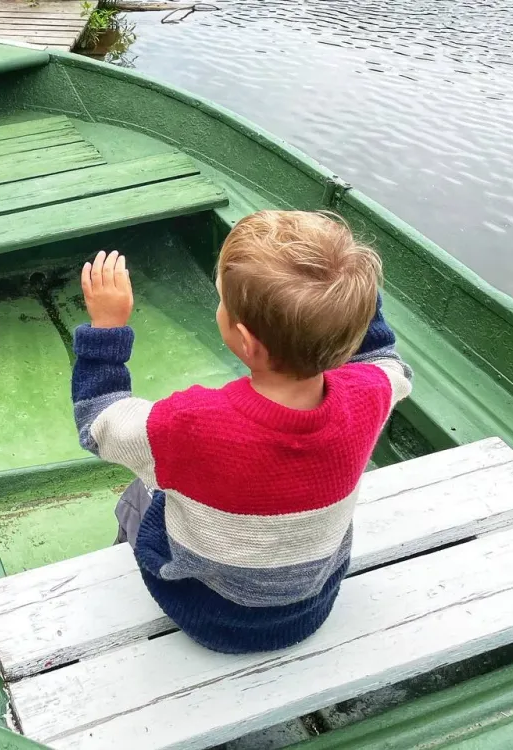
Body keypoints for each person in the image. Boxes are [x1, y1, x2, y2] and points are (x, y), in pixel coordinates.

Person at [70, 211, 413, 653]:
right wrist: (347, 296)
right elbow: (384, 357)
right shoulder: (369, 394)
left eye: (221, 301)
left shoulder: (190, 424)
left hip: (208, 616)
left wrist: (107, 328)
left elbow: (98, 420)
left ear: (247, 342)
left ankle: (120, 556)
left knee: (141, 492)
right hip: (309, 609)